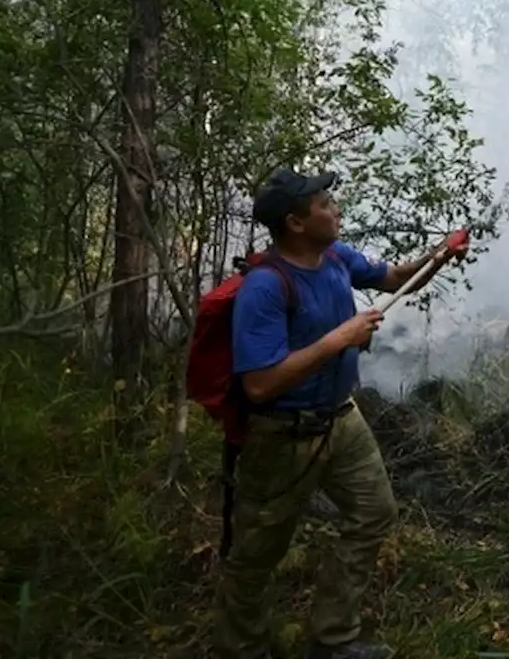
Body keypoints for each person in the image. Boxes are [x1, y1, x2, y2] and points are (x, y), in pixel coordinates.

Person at [213, 167, 468, 659]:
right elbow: (260, 384)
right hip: (282, 434)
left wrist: (437, 257)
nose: (337, 210)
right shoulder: (265, 288)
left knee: (374, 514)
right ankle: (241, 648)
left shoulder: (335, 258)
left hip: (341, 418)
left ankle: (332, 640)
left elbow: (397, 279)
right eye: (325, 204)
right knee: (256, 556)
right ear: (295, 223)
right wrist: (339, 339)